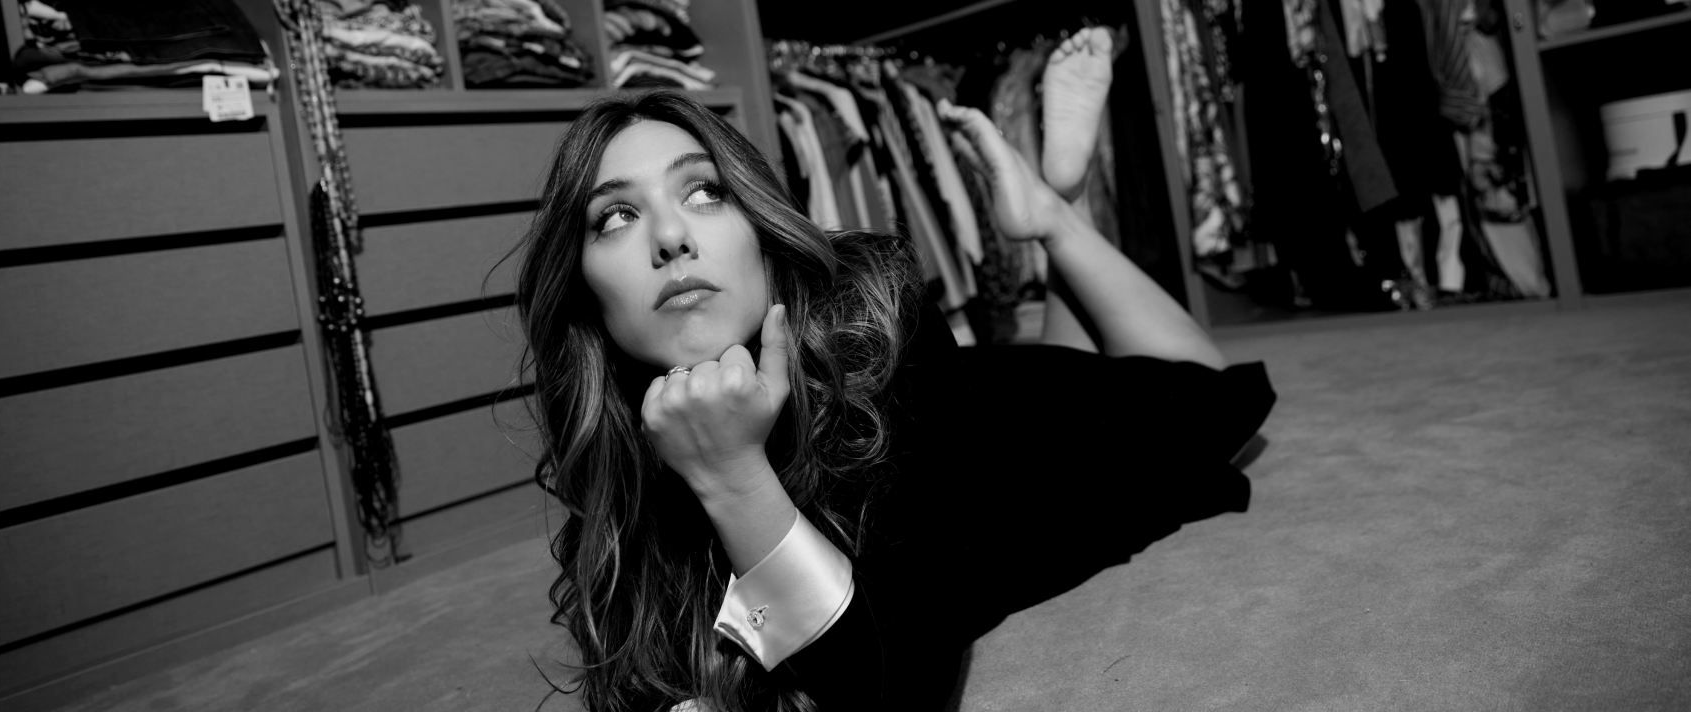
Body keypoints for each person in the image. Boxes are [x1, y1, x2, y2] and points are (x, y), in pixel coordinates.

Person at [515, 78, 1275, 712]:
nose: (669, 237)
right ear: (584, 293)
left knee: (1205, 397)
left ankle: (1052, 215)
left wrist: (731, 476)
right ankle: (1052, 213)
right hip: (965, 435)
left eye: (705, 191)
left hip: (1027, 443)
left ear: (761, 228)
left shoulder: (877, 312)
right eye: (616, 215)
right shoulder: (613, 444)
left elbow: (894, 689)